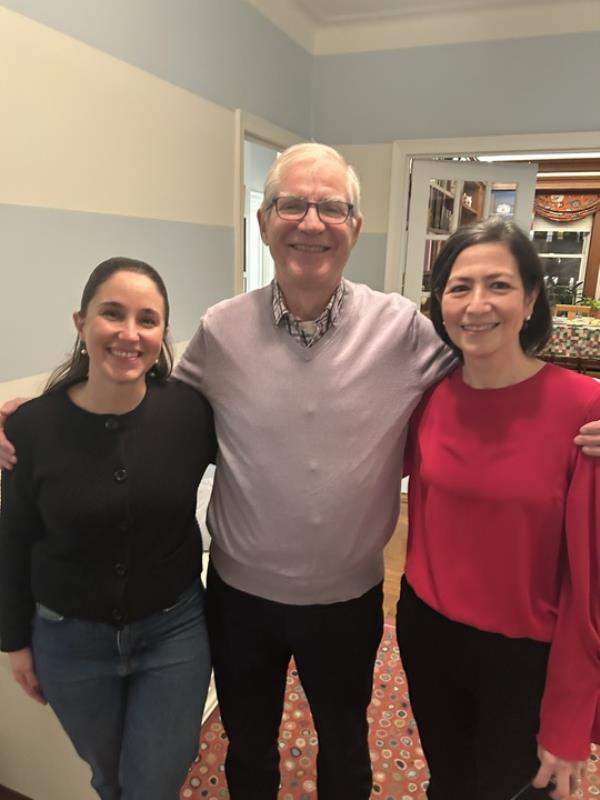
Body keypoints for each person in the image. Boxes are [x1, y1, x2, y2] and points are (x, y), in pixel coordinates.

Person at [2, 145, 600, 800]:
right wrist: (49, 412)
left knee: (346, 744)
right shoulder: (221, 331)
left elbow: (494, 367)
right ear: (264, 222)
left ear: (355, 226)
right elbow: (149, 393)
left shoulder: (401, 328)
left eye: (330, 208)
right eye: (292, 204)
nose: (310, 222)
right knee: (247, 747)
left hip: (348, 599)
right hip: (239, 597)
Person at [396, 218, 600, 800]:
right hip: (428, 633)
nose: (476, 305)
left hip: (526, 658)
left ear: (532, 297)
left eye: (499, 285)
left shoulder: (584, 409)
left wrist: (568, 715)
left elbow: (592, 586)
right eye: (459, 288)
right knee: (452, 782)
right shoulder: (429, 397)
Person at [0, 257, 216, 800]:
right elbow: (13, 540)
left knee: (154, 781)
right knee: (108, 777)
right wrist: (14, 643)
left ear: (164, 333)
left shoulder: (190, 413)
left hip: (174, 634)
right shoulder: (31, 427)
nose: (129, 333)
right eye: (112, 314)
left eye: (148, 319)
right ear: (81, 323)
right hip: (68, 640)